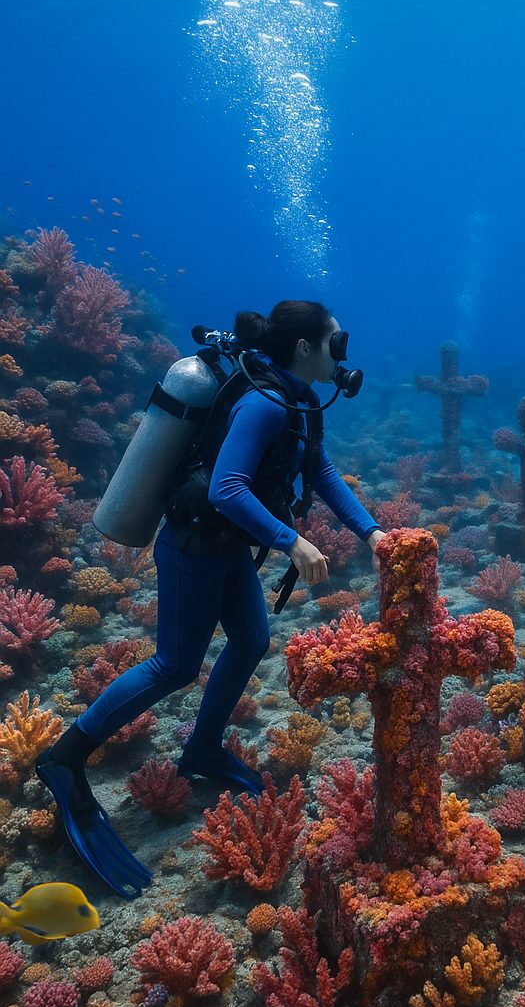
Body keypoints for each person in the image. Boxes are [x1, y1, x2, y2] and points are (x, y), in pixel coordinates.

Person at [36, 301, 385, 899]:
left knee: (251, 639)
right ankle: (64, 758)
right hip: (193, 546)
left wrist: (372, 533)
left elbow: (321, 471)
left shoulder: (299, 400)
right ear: (305, 348)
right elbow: (226, 489)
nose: (343, 354)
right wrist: (291, 540)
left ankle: (201, 749)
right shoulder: (264, 403)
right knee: (174, 665)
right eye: (337, 342)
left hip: (227, 548)